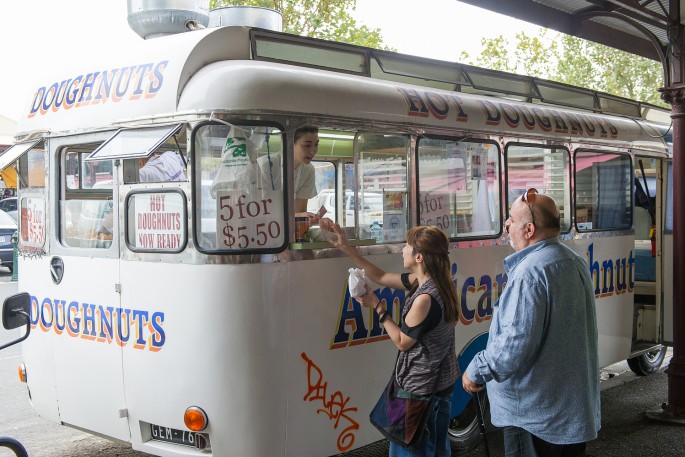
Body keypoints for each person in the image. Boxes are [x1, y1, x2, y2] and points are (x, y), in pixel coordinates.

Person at [462, 188, 600, 457]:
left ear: (529, 230)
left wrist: (477, 369)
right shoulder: (573, 261)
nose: (506, 226)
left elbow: (515, 343)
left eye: (511, 220)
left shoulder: (530, 272)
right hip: (569, 416)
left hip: (534, 418)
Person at [329, 223, 459, 456]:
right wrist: (347, 249)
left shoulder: (425, 299)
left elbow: (402, 341)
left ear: (419, 256)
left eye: (407, 245)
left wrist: (376, 305)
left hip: (420, 392)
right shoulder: (438, 283)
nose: (402, 248)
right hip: (440, 387)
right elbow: (379, 276)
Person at [259, 126, 320, 218]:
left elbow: (299, 212)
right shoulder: (267, 166)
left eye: (316, 145)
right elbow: (262, 211)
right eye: (307, 145)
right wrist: (297, 216)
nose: (313, 151)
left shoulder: (308, 170)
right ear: (290, 143)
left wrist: (308, 218)